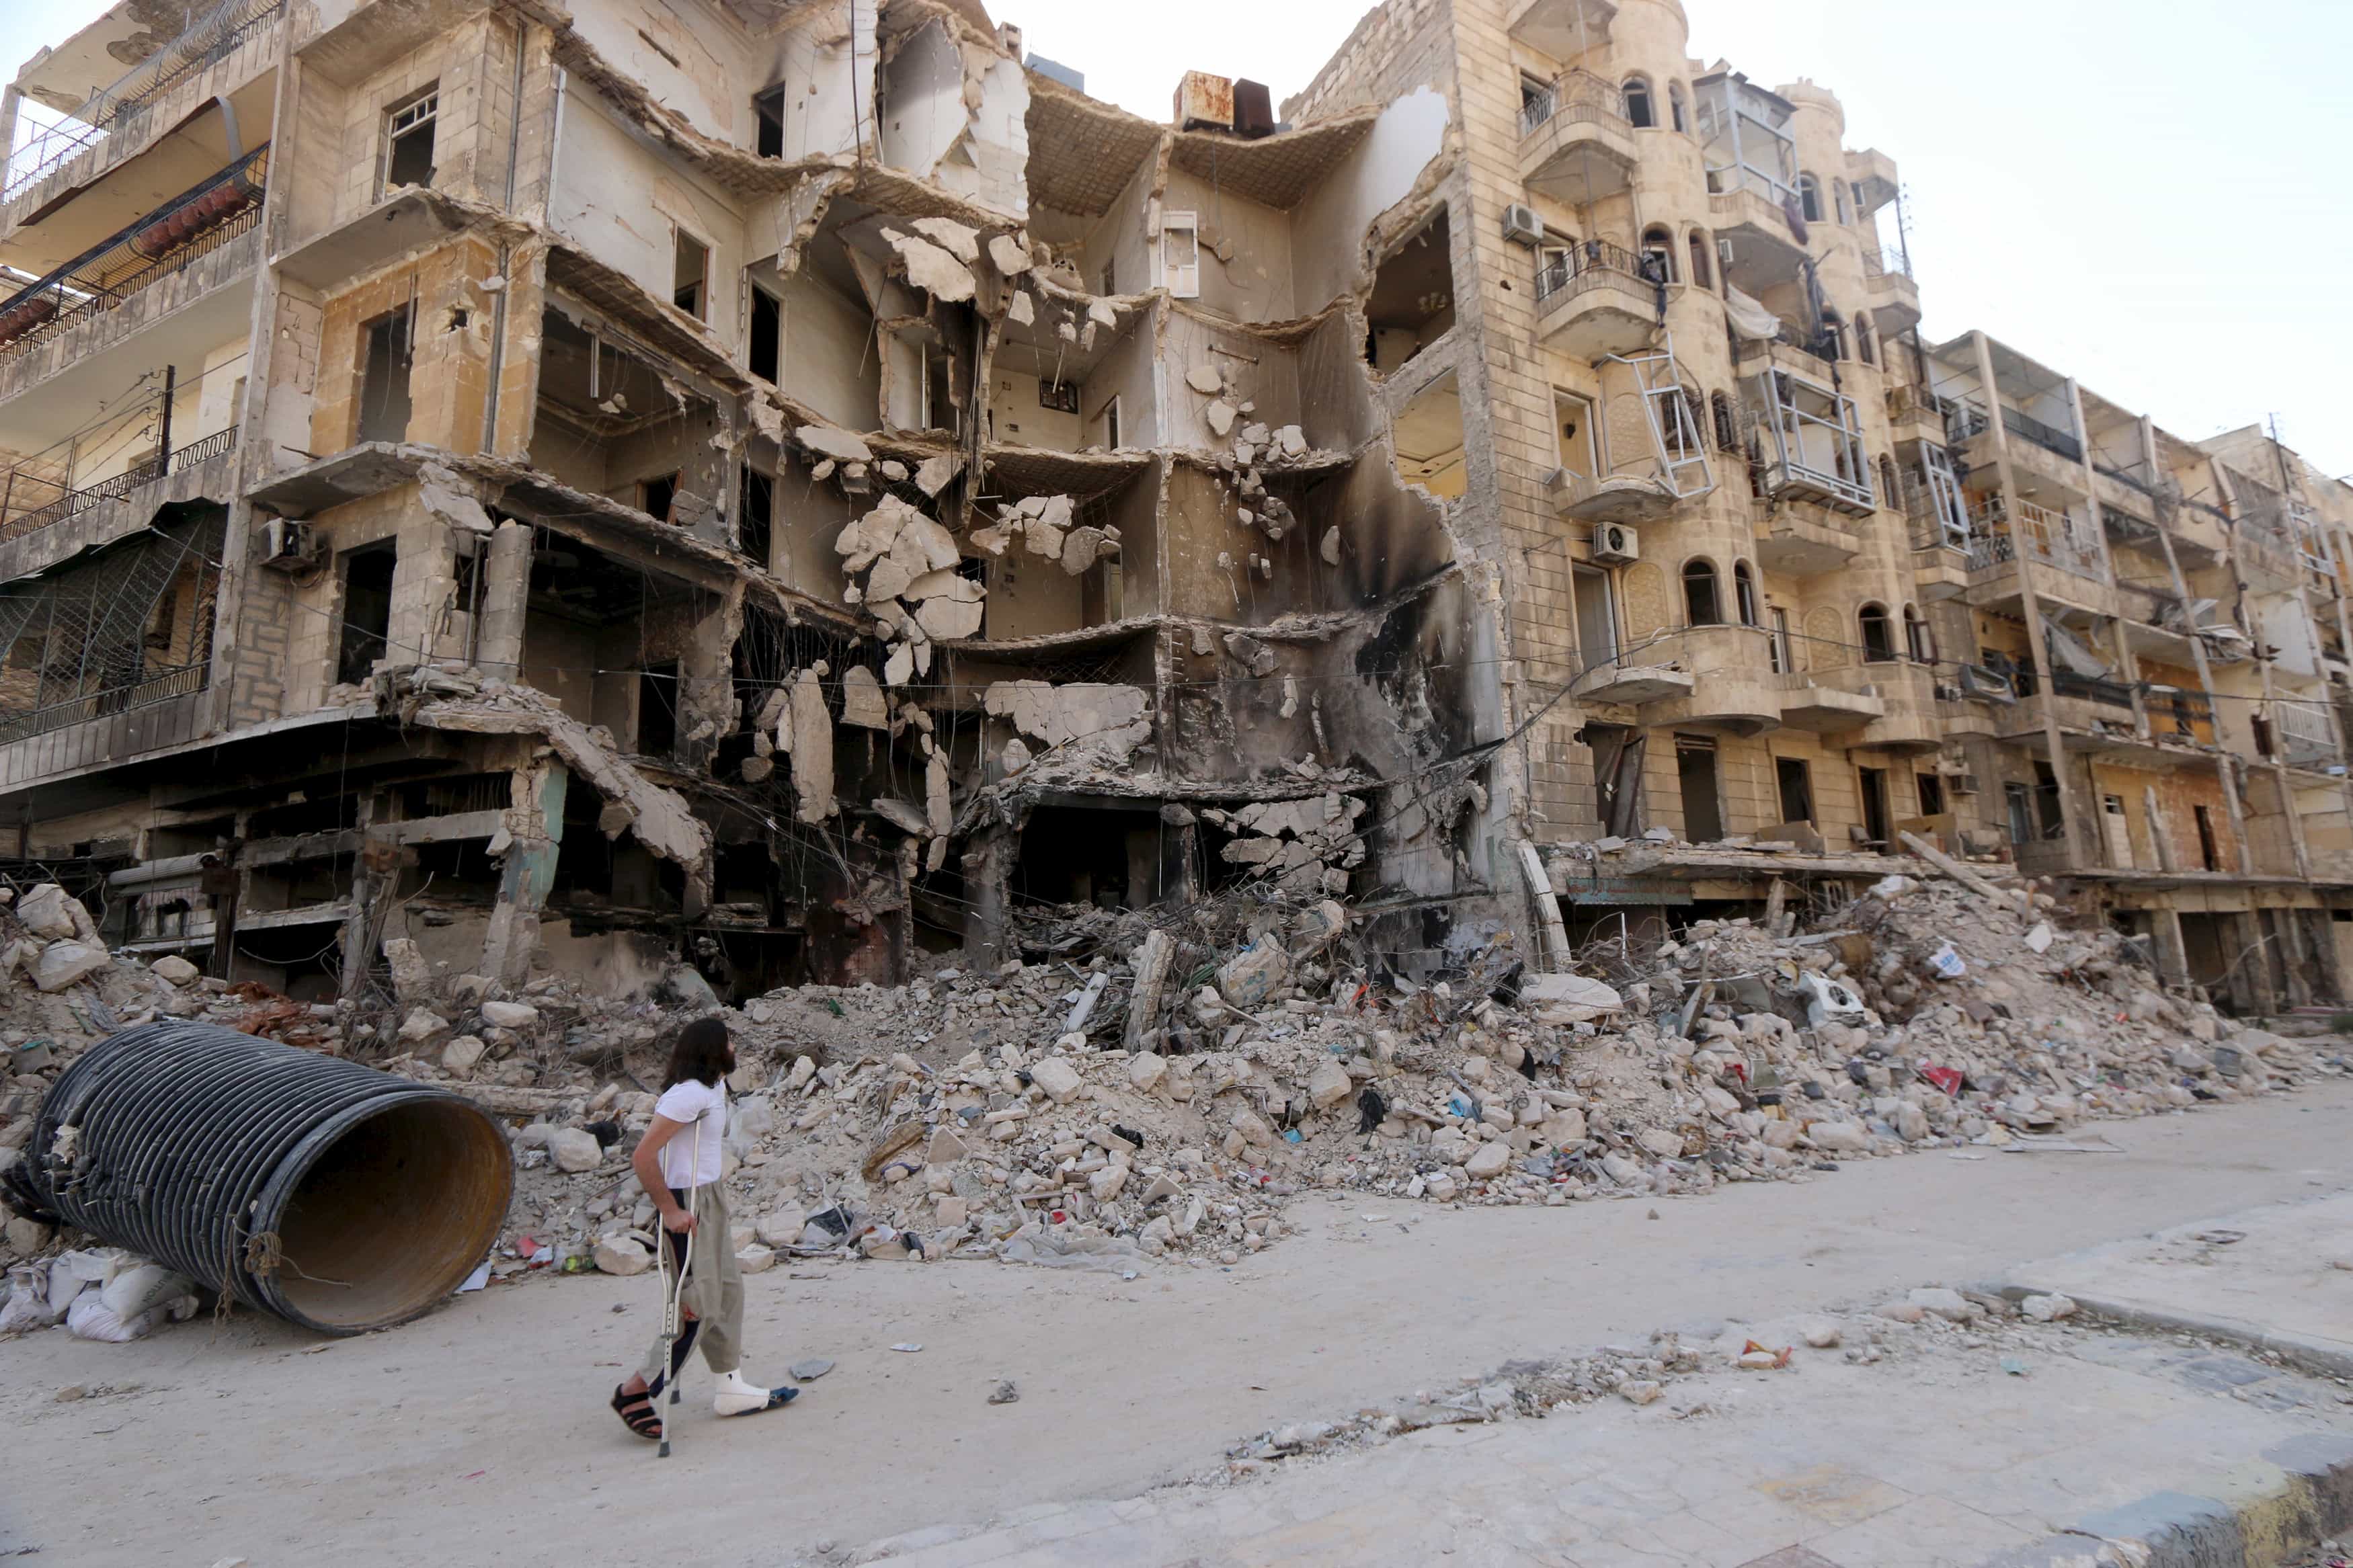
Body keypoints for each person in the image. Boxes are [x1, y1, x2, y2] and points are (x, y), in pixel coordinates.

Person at [609, 1016, 795, 1442]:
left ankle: (731, 1387)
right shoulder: (687, 1095)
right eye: (730, 1042)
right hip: (686, 1203)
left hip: (710, 1197)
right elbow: (643, 1157)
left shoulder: (713, 1089)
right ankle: (634, 1392)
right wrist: (669, 1210)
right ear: (714, 1049)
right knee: (696, 1306)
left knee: (728, 1293)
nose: (735, 1048)